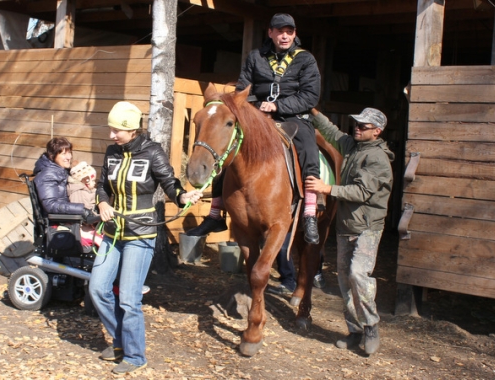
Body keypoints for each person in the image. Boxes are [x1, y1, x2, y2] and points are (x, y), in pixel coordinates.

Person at [186, 13, 322, 246]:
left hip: (293, 116)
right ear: (270, 33)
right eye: (280, 31)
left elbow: (310, 95)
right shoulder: (255, 57)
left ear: (294, 34)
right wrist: (256, 109)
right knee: (228, 150)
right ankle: (215, 213)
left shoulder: (306, 60)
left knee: (309, 148)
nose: (285, 36)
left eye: (289, 31)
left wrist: (279, 105)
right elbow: (243, 89)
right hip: (257, 116)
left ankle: (310, 211)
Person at [88, 101, 203, 375]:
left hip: (141, 233)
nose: (112, 135)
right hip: (113, 232)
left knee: (128, 299)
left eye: (117, 130)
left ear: (132, 130)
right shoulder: (111, 152)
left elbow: (170, 182)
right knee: (97, 289)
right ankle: (120, 341)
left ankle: (135, 356)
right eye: (111, 129)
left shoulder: (152, 152)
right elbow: (103, 186)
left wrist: (183, 196)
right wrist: (102, 202)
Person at [305, 107, 394, 356]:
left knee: (357, 274)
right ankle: (354, 332)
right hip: (346, 226)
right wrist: (313, 111)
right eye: (356, 123)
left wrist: (327, 188)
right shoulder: (353, 146)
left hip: (367, 227)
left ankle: (371, 326)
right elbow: (332, 133)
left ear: (377, 132)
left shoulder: (377, 159)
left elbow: (361, 192)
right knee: (345, 281)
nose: (357, 127)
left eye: (363, 126)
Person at [33, 137, 93, 220]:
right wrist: (81, 210)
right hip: (58, 221)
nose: (69, 157)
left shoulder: (62, 170)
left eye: (69, 152)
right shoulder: (48, 175)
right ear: (52, 156)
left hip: (70, 217)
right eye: (64, 154)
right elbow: (50, 205)